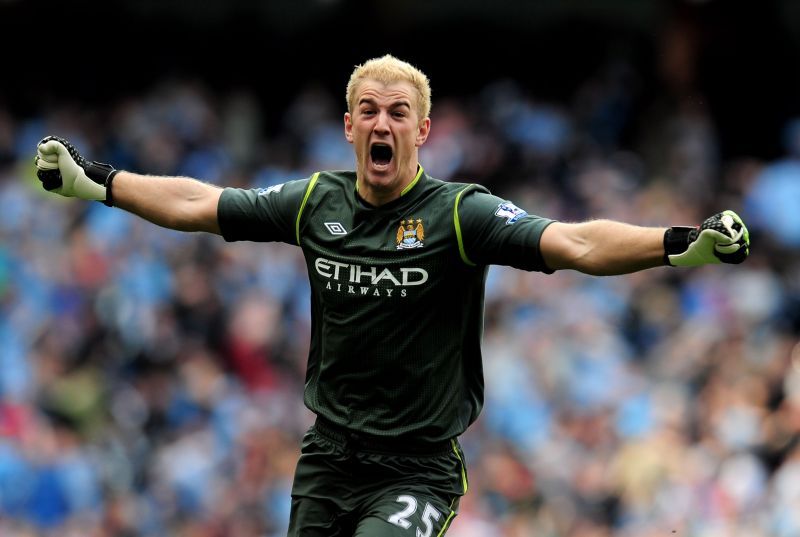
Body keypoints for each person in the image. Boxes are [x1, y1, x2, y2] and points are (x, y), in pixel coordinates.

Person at [34, 54, 749, 537]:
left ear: (423, 130)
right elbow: (201, 201)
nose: (382, 123)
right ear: (348, 127)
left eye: (398, 112)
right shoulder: (316, 201)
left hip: (418, 467)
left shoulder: (460, 215)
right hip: (328, 458)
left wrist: (679, 242)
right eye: (368, 110)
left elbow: (576, 242)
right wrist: (99, 182)